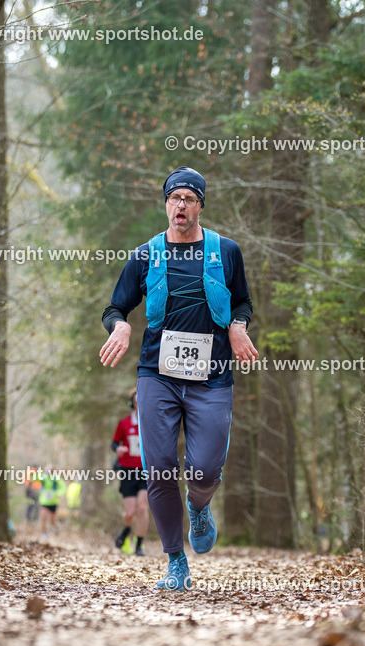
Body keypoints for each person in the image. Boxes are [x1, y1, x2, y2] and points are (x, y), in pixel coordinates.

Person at [99, 167, 258, 590]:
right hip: (157, 375)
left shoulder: (226, 251)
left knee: (204, 469)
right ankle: (174, 561)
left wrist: (238, 325)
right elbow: (114, 308)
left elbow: (242, 302)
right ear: (165, 204)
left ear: (200, 205)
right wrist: (121, 326)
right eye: (174, 198)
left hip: (213, 376)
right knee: (161, 469)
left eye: (189, 198)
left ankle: (200, 507)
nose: (181, 205)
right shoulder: (145, 254)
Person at [111, 388, 148, 556]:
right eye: (136, 400)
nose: (139, 403)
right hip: (127, 470)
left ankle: (139, 545)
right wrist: (119, 448)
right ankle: (126, 530)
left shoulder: (151, 422)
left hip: (147, 469)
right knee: (130, 512)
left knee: (142, 508)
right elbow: (114, 443)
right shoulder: (124, 423)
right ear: (132, 403)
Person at [37, 465, 66, 540]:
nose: (48, 472)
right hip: (44, 501)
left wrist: (57, 493)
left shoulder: (56, 478)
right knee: (43, 517)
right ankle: (44, 533)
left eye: (50, 471)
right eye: (47, 471)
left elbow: (63, 488)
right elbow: (33, 479)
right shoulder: (43, 477)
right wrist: (37, 472)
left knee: (52, 520)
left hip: (53, 502)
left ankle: (56, 526)